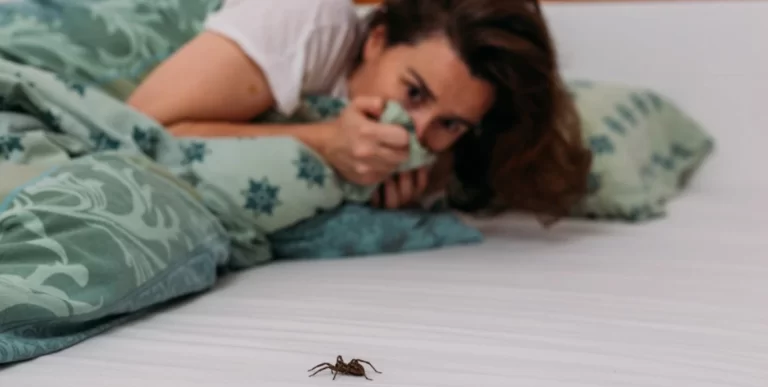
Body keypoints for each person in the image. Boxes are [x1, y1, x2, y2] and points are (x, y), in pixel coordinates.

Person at [128, 0, 591, 222]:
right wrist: (324, 142)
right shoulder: (306, 21)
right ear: (376, 40)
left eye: (449, 124)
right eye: (413, 93)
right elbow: (136, 129)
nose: (417, 131)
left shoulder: (441, 161)